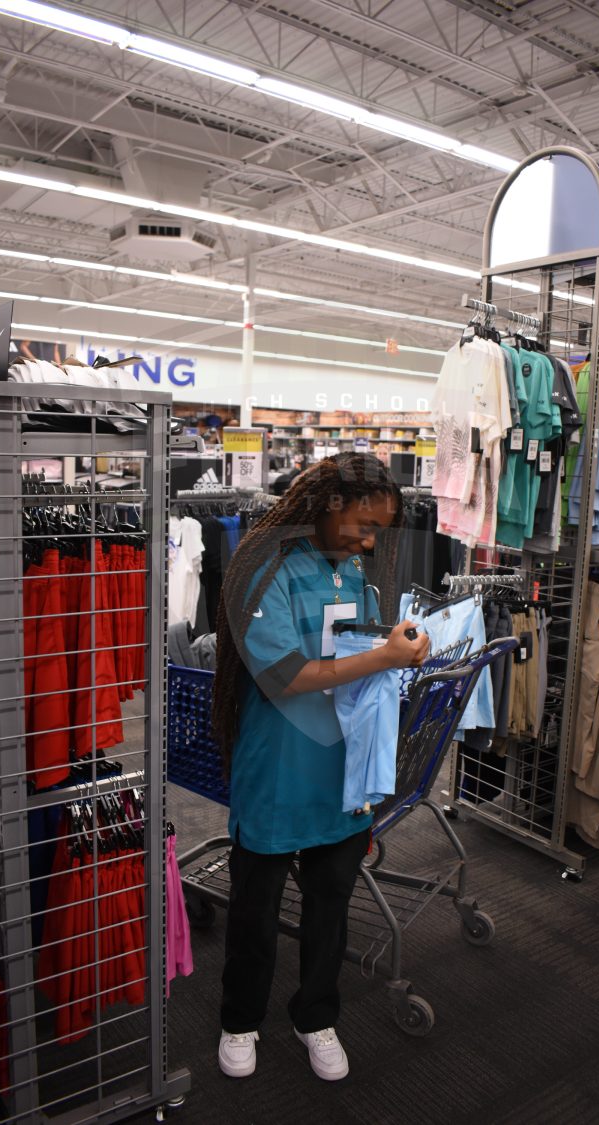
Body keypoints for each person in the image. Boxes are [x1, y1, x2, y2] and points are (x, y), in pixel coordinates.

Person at [212, 452, 429, 1082]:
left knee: (330, 904)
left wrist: (407, 649)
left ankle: (316, 1015)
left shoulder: (360, 571)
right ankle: (239, 1018)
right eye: (363, 524)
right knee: (256, 908)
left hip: (343, 772)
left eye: (378, 531)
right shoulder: (265, 567)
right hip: (278, 768)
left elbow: (364, 651)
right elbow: (284, 677)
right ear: (326, 506)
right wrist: (383, 658)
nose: (370, 539)